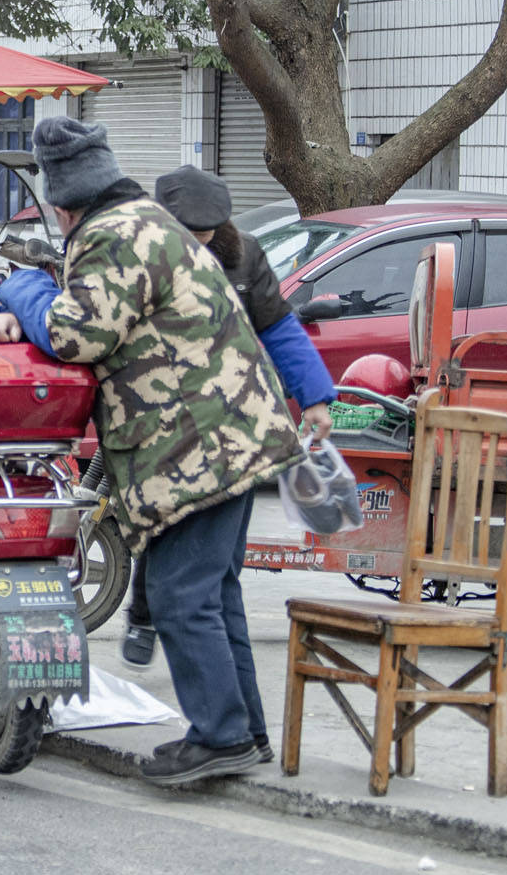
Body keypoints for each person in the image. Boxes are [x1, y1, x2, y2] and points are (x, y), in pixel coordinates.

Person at [0, 116, 302, 787]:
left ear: (64, 207)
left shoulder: (110, 235)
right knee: (214, 592)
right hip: (235, 432)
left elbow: (76, 336)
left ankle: (217, 736)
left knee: (179, 592)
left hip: (197, 445)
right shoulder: (150, 221)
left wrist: (23, 288)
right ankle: (243, 732)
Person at [113, 166, 339, 667]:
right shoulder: (137, 255)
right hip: (163, 424)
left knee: (219, 560)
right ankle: (145, 615)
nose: (199, 241)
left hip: (233, 424)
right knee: (163, 529)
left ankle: (216, 659)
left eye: (207, 232)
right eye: (188, 233)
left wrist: (316, 397)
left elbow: (279, 327)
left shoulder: (244, 256)